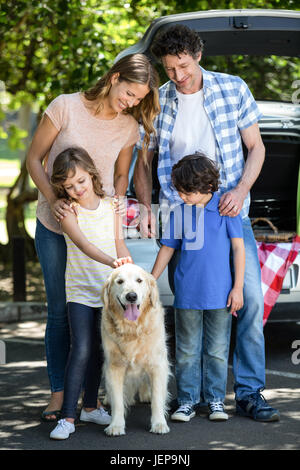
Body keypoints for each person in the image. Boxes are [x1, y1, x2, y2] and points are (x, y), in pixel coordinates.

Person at [134, 25, 280, 421]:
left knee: (247, 299)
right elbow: (142, 162)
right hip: (181, 217)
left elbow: (257, 147)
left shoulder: (232, 88)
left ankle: (249, 394)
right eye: (169, 69)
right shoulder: (157, 101)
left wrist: (241, 190)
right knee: (191, 305)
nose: (178, 76)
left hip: (229, 212)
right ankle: (191, 396)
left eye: (183, 66)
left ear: (197, 55)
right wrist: (147, 208)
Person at [26, 53, 160, 421]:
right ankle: (58, 395)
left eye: (138, 99)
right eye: (129, 92)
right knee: (60, 312)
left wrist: (116, 205)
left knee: (100, 313)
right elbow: (34, 159)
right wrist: (54, 202)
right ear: (114, 77)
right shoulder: (65, 107)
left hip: (100, 232)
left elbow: (120, 176)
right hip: (56, 226)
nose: (131, 102)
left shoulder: (128, 127)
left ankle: (90, 400)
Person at [151, 153, 245, 422]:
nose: (180, 196)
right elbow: (168, 248)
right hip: (187, 295)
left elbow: (239, 249)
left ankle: (215, 400)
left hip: (221, 295)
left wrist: (237, 288)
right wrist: (150, 279)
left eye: (184, 191)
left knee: (216, 350)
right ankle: (187, 401)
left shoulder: (227, 209)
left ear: (205, 187)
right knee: (186, 351)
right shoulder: (179, 213)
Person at [48, 147, 133, 440]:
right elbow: (84, 245)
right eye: (69, 186)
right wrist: (112, 262)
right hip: (81, 291)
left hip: (109, 293)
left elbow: (119, 245)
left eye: (81, 182)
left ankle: (91, 407)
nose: (77, 189)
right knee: (82, 348)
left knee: (100, 349)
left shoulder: (112, 206)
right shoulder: (68, 212)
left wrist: (129, 271)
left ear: (92, 175)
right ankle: (67, 417)